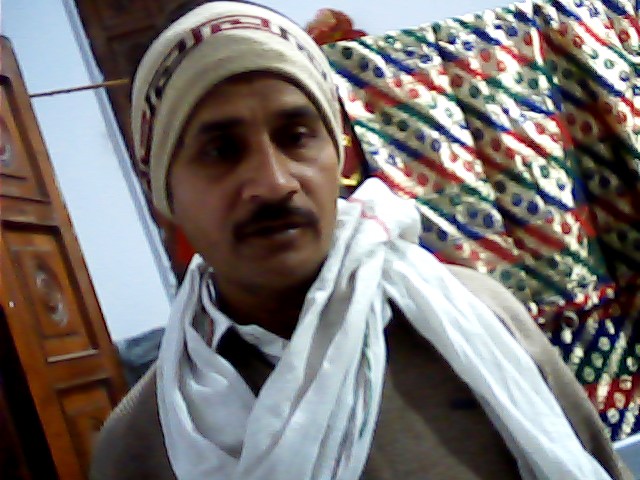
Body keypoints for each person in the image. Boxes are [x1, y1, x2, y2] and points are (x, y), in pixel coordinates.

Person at [90, 2, 632, 479]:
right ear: (164, 192)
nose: (274, 183)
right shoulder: (147, 443)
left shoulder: (479, 316)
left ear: (340, 155)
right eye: (221, 151)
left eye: (296, 136)